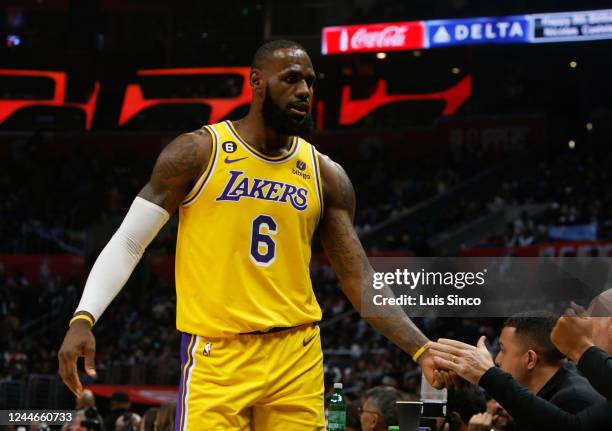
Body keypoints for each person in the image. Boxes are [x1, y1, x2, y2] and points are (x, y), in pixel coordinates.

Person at [57, 39, 444, 431]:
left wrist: (421, 347)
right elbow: (129, 241)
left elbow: (358, 276)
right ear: (256, 82)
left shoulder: (326, 175)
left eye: (310, 81)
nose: (305, 91)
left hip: (297, 355)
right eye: (291, 79)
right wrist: (83, 317)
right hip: (218, 356)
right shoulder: (197, 152)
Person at [429, 297, 612, 430]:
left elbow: (567, 428)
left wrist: (486, 374)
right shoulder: (559, 390)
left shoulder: (575, 398)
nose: (497, 360)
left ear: (530, 359)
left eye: (503, 349)